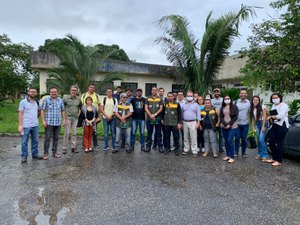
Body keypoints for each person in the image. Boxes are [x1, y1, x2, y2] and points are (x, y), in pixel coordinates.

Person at [18, 87, 43, 163]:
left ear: (36, 93)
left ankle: (35, 154)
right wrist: (20, 125)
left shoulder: (37, 102)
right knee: (24, 142)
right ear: (28, 92)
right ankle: (24, 156)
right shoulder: (23, 102)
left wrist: (36, 117)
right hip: (26, 125)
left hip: (35, 125)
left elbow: (39, 111)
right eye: (31, 91)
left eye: (34, 92)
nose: (33, 93)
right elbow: (20, 113)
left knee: (35, 141)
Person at [41, 87, 66, 160]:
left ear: (57, 92)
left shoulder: (60, 100)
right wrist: (43, 120)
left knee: (56, 138)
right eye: (52, 92)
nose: (54, 93)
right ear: (50, 93)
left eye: (55, 92)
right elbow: (42, 110)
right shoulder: (46, 100)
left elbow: (63, 110)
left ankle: (54, 152)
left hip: (58, 123)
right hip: (49, 123)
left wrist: (64, 120)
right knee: (47, 139)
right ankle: (45, 153)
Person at [265, 93, 289, 166]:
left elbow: (280, 116)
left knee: (279, 143)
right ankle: (274, 158)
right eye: (273, 98)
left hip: (282, 125)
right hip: (274, 125)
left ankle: (279, 160)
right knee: (271, 142)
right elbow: (272, 115)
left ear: (280, 98)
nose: (275, 99)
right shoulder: (273, 106)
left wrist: (271, 117)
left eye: (276, 97)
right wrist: (269, 118)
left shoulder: (284, 105)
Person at [81, 84, 101, 148]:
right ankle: (84, 144)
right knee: (85, 131)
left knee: (94, 130)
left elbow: (100, 105)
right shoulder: (84, 95)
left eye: (93, 88)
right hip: (85, 117)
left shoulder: (97, 96)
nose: (92, 88)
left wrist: (99, 116)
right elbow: (81, 105)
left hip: (94, 117)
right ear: (88, 88)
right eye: (91, 87)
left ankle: (95, 144)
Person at [62, 85, 81, 154]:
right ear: (70, 91)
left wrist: (78, 113)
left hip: (75, 118)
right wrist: (63, 118)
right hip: (68, 118)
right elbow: (62, 108)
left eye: (75, 90)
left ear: (77, 91)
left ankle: (74, 147)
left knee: (74, 133)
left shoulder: (79, 99)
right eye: (72, 90)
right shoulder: (66, 98)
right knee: (67, 133)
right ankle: (64, 148)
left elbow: (80, 107)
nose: (74, 91)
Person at [181, 91, 201, 157]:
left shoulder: (196, 104)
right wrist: (181, 122)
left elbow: (198, 115)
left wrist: (198, 123)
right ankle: (186, 149)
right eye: (188, 96)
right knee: (186, 137)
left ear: (193, 97)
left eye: (191, 96)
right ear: (186, 96)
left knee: (193, 137)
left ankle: (194, 151)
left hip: (193, 122)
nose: (189, 97)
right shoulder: (183, 104)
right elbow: (181, 114)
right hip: (185, 122)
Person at [220, 95, 239, 163]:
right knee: (226, 141)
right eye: (225, 99)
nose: (227, 99)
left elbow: (235, 117)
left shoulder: (234, 107)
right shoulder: (222, 107)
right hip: (224, 126)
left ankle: (232, 157)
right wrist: (225, 124)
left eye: (228, 98)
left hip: (232, 126)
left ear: (230, 99)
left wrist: (229, 125)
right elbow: (221, 117)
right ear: (223, 100)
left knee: (229, 140)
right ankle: (227, 155)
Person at [145, 86, 164, 152]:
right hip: (149, 118)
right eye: (153, 90)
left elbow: (161, 108)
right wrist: (150, 115)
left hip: (157, 118)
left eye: (155, 90)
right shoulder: (148, 98)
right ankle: (148, 146)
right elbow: (146, 108)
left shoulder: (160, 99)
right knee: (149, 133)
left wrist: (154, 115)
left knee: (159, 133)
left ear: (157, 91)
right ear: (151, 91)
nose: (154, 91)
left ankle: (160, 147)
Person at [250, 96, 269, 161]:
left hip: (263, 123)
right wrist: (253, 127)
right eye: (254, 100)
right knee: (258, 140)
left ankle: (265, 155)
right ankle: (259, 154)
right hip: (257, 124)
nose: (255, 101)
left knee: (261, 140)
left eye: (257, 100)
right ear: (252, 101)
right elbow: (252, 118)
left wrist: (263, 126)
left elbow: (264, 117)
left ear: (259, 101)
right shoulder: (252, 108)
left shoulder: (262, 107)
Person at [100, 88, 117, 152]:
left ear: (112, 92)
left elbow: (116, 109)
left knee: (113, 133)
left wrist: (111, 116)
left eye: (110, 91)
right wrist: (107, 116)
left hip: (113, 119)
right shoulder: (104, 99)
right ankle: (106, 146)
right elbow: (101, 109)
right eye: (108, 92)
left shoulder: (115, 99)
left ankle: (113, 146)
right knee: (106, 133)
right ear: (106, 93)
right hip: (105, 118)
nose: (109, 92)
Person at [235, 89, 251, 158]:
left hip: (245, 124)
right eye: (242, 93)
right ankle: (236, 151)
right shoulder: (235, 102)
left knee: (244, 138)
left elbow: (252, 111)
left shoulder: (249, 103)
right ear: (240, 94)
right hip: (237, 124)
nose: (243, 94)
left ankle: (244, 152)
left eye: (244, 93)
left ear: (246, 94)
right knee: (237, 138)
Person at [211, 88, 224, 153]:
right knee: (215, 135)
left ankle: (220, 147)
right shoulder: (211, 100)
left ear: (220, 93)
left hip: (222, 119)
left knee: (221, 135)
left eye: (217, 92)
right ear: (213, 93)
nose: (216, 93)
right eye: (215, 92)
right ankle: (215, 147)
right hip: (214, 119)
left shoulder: (223, 99)